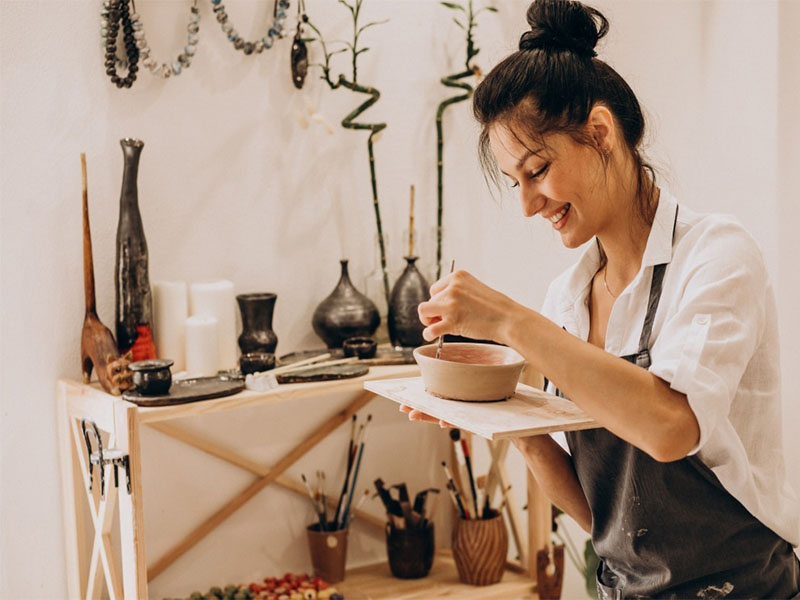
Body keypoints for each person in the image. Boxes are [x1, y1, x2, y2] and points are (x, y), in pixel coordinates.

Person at [401, 0, 800, 597]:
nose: (528, 204)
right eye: (516, 182)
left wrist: (511, 322)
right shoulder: (568, 299)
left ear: (599, 132)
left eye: (536, 170)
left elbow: (671, 427)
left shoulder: (716, 256)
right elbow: (605, 518)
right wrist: (510, 420)